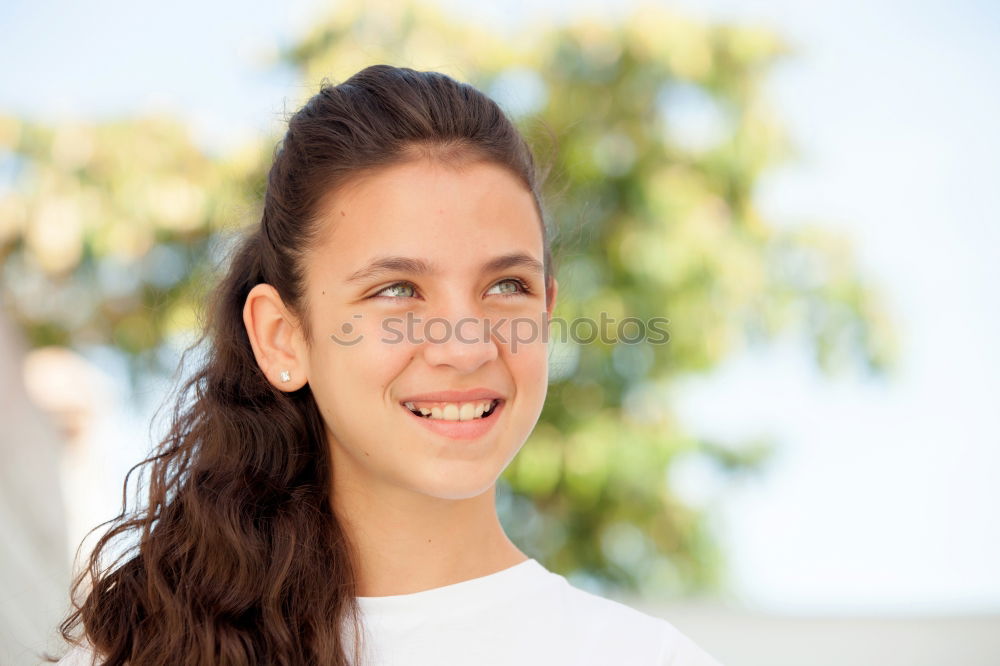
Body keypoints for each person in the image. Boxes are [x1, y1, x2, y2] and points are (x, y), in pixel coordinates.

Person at [52, 64, 724, 666]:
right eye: (395, 291)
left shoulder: (645, 657)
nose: (466, 347)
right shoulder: (140, 651)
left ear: (547, 312)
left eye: (505, 287)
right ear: (282, 338)